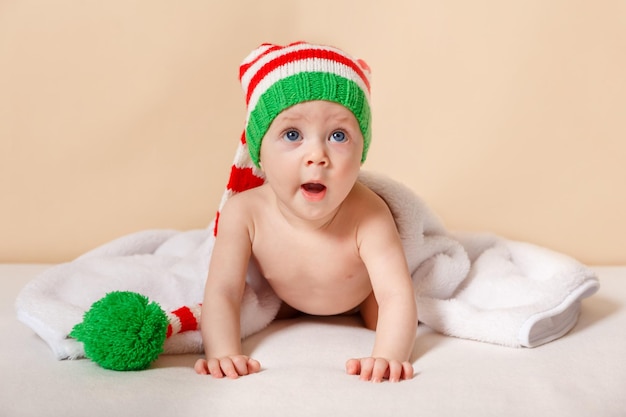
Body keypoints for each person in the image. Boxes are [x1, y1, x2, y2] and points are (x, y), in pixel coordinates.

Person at [194, 42, 417, 383]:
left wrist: (388, 356)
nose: (317, 155)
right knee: (263, 307)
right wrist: (223, 353)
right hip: (285, 298)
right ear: (259, 155)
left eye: (338, 135)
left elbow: (395, 293)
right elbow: (224, 290)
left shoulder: (368, 215)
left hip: (360, 301)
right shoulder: (245, 212)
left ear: (361, 155)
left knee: (381, 314)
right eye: (293, 134)